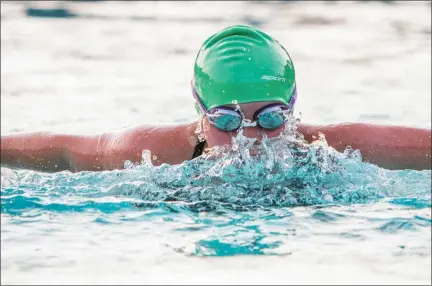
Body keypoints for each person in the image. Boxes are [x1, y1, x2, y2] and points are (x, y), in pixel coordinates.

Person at [1, 25, 431, 173]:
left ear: (293, 105)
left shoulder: (333, 149)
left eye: (270, 118)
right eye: (226, 120)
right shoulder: (152, 152)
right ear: (200, 111)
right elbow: (63, 150)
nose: (250, 137)